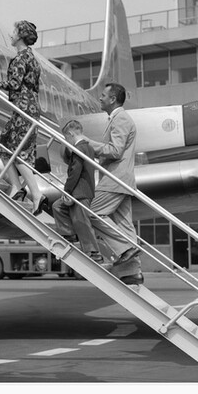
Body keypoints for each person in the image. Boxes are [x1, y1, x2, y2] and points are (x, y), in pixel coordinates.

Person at [0, 20, 48, 215]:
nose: (11, 34)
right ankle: (17, 188)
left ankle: (37, 195)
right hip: (29, 108)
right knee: (3, 147)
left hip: (23, 109)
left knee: (17, 153)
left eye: (14, 32)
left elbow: (15, 84)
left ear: (20, 36)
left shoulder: (20, 58)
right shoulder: (32, 58)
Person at [84, 82, 143, 286]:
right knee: (124, 225)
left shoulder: (121, 119)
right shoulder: (117, 119)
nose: (99, 98)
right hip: (121, 180)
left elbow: (115, 151)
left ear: (113, 99)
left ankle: (125, 249)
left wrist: (87, 144)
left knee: (90, 212)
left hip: (115, 179)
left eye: (103, 95)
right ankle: (132, 272)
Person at [50, 119, 102, 259]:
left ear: (71, 134)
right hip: (83, 190)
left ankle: (94, 252)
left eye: (66, 137)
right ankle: (69, 233)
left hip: (80, 191)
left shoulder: (79, 149)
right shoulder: (89, 148)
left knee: (82, 221)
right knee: (58, 206)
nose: (66, 141)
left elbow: (75, 171)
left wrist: (66, 190)